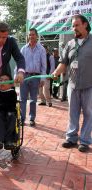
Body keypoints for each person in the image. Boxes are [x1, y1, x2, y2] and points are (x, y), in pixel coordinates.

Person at [52, 14, 92, 152]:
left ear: (85, 25)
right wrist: (56, 73)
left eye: (76, 25)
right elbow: (63, 64)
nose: (74, 28)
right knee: (73, 113)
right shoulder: (70, 44)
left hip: (89, 85)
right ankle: (71, 138)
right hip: (73, 85)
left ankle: (85, 141)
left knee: (89, 113)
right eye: (73, 26)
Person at [20, 28, 46, 127]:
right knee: (22, 99)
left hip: (35, 77)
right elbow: (20, 64)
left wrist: (42, 78)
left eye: (33, 35)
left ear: (37, 36)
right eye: (29, 35)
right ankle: (22, 119)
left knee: (33, 100)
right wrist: (17, 75)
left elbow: (44, 66)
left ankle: (32, 118)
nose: (31, 36)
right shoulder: (23, 49)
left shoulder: (41, 49)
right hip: (25, 76)